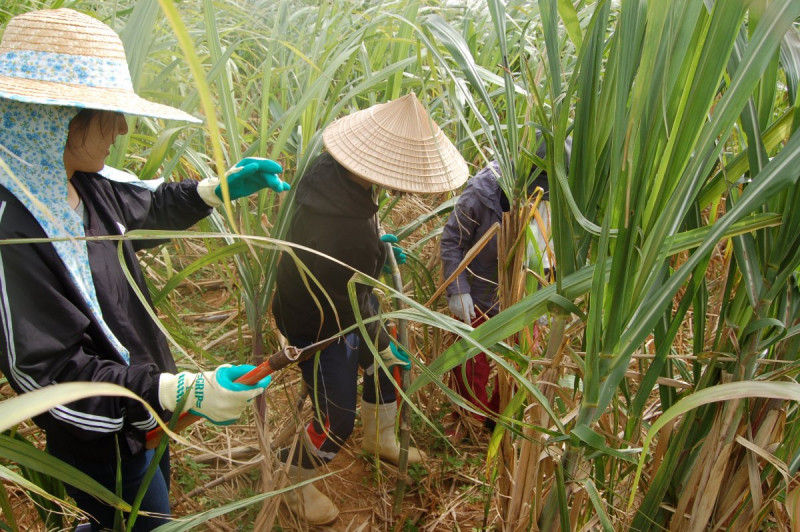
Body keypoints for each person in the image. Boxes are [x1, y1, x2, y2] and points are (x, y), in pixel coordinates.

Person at [0, 9, 288, 531]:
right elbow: (49, 377)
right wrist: (177, 391)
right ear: (58, 116)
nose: (122, 129)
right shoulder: (12, 228)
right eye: (108, 113)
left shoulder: (83, 180)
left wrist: (215, 190)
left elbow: (145, 207)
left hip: (142, 405)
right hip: (98, 436)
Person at [271, 93, 468, 524]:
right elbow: (346, 258)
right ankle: (294, 477)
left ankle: (380, 440)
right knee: (336, 418)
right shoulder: (343, 225)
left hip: (346, 304)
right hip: (323, 322)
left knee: (392, 362)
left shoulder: (332, 175)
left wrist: (375, 241)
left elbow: (350, 242)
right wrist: (373, 252)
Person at [440, 137, 570, 435]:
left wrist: (555, 287)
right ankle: (469, 422)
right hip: (480, 293)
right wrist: (458, 289)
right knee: (471, 363)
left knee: (520, 364)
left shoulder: (564, 195)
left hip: (527, 299)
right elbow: (452, 241)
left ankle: (498, 424)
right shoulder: (483, 190)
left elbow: (558, 246)